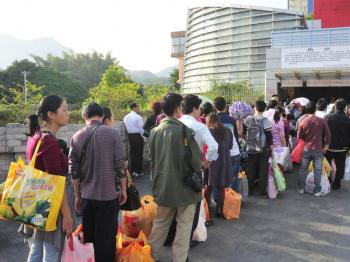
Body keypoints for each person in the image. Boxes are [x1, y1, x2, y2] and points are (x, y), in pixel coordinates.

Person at [69, 102, 127, 262]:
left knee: (90, 236)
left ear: (83, 116)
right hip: (109, 196)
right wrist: (123, 189)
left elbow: (73, 171)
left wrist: (77, 196)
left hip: (87, 196)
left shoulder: (76, 136)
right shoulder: (112, 133)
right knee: (107, 238)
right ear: (102, 115)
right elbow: (120, 164)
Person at [148, 93, 202, 262]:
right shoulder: (183, 130)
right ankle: (179, 259)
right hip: (185, 189)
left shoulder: (155, 131)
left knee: (160, 224)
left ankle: (150, 256)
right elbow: (195, 160)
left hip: (163, 187)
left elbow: (153, 160)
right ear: (178, 108)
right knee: (184, 226)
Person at [26, 95, 73, 262]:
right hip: (50, 206)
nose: (68, 113)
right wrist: (67, 216)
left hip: (37, 202)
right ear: (51, 114)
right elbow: (56, 184)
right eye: (65, 110)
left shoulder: (37, 136)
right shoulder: (49, 141)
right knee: (52, 252)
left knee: (37, 249)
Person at [297, 101, 331, 197]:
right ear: (315, 110)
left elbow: (299, 136)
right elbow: (328, 134)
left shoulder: (302, 121)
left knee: (303, 169)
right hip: (318, 149)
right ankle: (317, 190)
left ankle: (301, 188)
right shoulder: (321, 121)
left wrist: (306, 138)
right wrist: (326, 145)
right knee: (318, 170)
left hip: (307, 148)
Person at [204, 113, 233, 217]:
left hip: (210, 161)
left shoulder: (207, 131)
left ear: (208, 121)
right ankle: (220, 210)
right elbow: (230, 146)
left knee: (208, 185)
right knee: (221, 186)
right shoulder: (227, 131)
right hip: (224, 161)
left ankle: (207, 210)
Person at [244, 101, 274, 197]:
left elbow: (244, 132)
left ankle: (249, 190)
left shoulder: (249, 119)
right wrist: (272, 149)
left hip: (251, 147)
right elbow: (269, 136)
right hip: (263, 149)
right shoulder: (266, 120)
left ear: (255, 108)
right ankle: (262, 192)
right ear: (264, 109)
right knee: (263, 170)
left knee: (250, 169)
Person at [213, 97, 241, 191]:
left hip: (217, 154)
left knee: (218, 178)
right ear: (226, 106)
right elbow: (236, 137)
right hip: (233, 152)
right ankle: (233, 201)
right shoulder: (231, 120)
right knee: (233, 178)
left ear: (214, 106)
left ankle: (220, 201)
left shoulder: (211, 120)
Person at [325, 99, 350, 190]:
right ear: (345, 108)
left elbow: (323, 132)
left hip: (329, 147)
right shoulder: (348, 120)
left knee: (327, 165)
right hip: (342, 148)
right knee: (340, 167)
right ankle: (336, 184)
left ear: (335, 106)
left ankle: (327, 181)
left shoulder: (327, 117)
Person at [123, 102, 144, 177]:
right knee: (139, 153)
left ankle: (133, 171)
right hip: (138, 136)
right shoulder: (138, 117)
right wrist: (143, 138)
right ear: (134, 108)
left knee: (133, 153)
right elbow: (141, 129)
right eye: (138, 107)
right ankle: (139, 171)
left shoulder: (125, 117)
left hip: (130, 136)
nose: (139, 108)